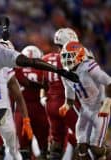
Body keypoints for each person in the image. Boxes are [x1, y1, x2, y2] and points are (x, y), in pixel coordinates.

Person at [58, 41, 111, 159]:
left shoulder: (89, 67)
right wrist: (66, 106)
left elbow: (108, 82)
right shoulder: (65, 74)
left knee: (96, 149)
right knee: (81, 148)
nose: (66, 60)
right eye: (64, 57)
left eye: (69, 56)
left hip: (99, 109)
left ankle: (107, 152)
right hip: (85, 110)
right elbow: (70, 95)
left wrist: (107, 101)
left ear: (80, 55)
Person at [41, 28, 80, 159]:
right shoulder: (70, 59)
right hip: (66, 104)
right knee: (85, 138)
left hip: (50, 104)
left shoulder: (45, 58)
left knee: (56, 142)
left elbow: (44, 84)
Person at [14, 45, 49, 159]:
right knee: (45, 149)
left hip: (20, 110)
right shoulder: (42, 70)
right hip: (39, 109)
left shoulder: (16, 69)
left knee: (24, 151)